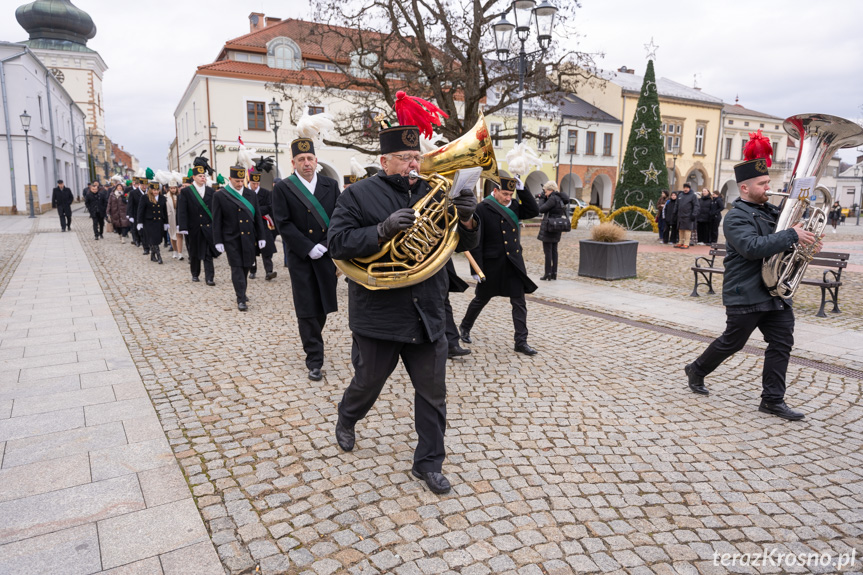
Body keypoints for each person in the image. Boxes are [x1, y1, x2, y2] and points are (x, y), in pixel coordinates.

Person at [328, 93, 478, 494]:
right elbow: (337, 242)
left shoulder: (434, 189)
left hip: (427, 310)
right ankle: (347, 415)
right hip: (379, 312)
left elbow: (462, 240)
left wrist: (465, 214)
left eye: (417, 156)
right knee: (368, 381)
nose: (415, 163)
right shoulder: (356, 196)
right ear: (385, 161)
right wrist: (380, 231)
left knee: (433, 395)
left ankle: (428, 463)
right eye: (406, 157)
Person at [684, 133, 820, 421]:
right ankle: (696, 369)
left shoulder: (772, 212)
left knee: (782, 343)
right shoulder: (734, 216)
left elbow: (785, 244)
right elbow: (750, 248)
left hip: (775, 291)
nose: (768, 188)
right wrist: (789, 234)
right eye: (762, 184)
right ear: (745, 188)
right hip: (745, 290)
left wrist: (804, 240)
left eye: (768, 183)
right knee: (733, 342)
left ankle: (772, 400)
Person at [272, 138, 339, 379]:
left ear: (316, 160)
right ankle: (314, 358)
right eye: (301, 159)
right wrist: (308, 247)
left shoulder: (330, 185)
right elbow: (283, 223)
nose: (307, 163)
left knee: (323, 303)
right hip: (301, 256)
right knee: (306, 305)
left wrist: (325, 245)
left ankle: (313, 339)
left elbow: (338, 218)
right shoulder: (283, 188)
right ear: (293, 163)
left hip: (325, 254)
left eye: (310, 158)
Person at [459, 176, 539, 355]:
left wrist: (523, 190)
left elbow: (533, 210)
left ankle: (521, 341)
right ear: (494, 191)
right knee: (481, 299)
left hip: (513, 264)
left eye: (511, 194)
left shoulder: (515, 206)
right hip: (492, 264)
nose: (508, 198)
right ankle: (464, 327)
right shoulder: (482, 208)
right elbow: (476, 242)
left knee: (519, 302)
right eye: (504, 194)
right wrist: (476, 269)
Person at [212, 166, 267, 311]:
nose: (240, 184)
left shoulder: (251, 195)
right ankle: (241, 299)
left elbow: (257, 218)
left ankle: (242, 291)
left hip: (248, 238)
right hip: (231, 238)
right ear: (230, 179)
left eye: (242, 181)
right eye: (237, 181)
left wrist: (262, 236)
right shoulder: (220, 195)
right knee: (236, 268)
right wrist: (218, 240)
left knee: (246, 266)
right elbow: (216, 220)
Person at [178, 155, 219, 285]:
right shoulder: (186, 192)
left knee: (208, 253)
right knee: (194, 252)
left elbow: (214, 210)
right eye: (200, 176)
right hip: (193, 227)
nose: (203, 178)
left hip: (207, 227)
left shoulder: (210, 191)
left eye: (204, 176)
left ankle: (209, 277)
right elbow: (182, 211)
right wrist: (182, 227)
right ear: (194, 177)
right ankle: (195, 274)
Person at [248, 168, 277, 280]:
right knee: (251, 249)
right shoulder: (245, 193)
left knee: (266, 249)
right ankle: (252, 270)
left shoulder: (265, 193)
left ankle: (269, 271)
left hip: (263, 224)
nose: (255, 185)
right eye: (253, 183)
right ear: (249, 182)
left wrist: (256, 210)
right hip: (250, 225)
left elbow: (270, 207)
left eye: (257, 183)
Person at [536, 180, 568, 280]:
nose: (544, 193)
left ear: (550, 190)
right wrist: (545, 197)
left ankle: (547, 273)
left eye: (545, 191)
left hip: (549, 227)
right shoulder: (559, 198)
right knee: (554, 250)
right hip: (556, 227)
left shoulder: (553, 198)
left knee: (548, 251)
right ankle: (554, 273)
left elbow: (541, 209)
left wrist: (541, 198)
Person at [136, 180, 168, 264]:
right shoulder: (145, 198)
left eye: (157, 190)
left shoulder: (162, 198)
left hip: (159, 222)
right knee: (153, 240)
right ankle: (159, 256)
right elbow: (140, 210)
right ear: (150, 190)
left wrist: (166, 222)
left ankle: (152, 255)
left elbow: (165, 211)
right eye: (154, 190)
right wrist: (139, 222)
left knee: (157, 240)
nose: (156, 192)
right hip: (149, 222)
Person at [164, 177, 183, 260]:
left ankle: (180, 253)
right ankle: (175, 250)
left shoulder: (180, 196)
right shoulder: (166, 197)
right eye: (171, 188)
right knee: (172, 235)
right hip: (170, 218)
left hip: (179, 217)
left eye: (174, 188)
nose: (173, 190)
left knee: (179, 234)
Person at [675, 183, 699, 248]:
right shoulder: (680, 195)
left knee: (687, 230)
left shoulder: (693, 196)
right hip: (680, 215)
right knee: (680, 230)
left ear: (689, 188)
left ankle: (686, 243)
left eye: (687, 188)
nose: (685, 189)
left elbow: (696, 206)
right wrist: (675, 212)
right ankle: (681, 242)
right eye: (684, 187)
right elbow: (676, 204)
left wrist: (694, 214)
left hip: (688, 216)